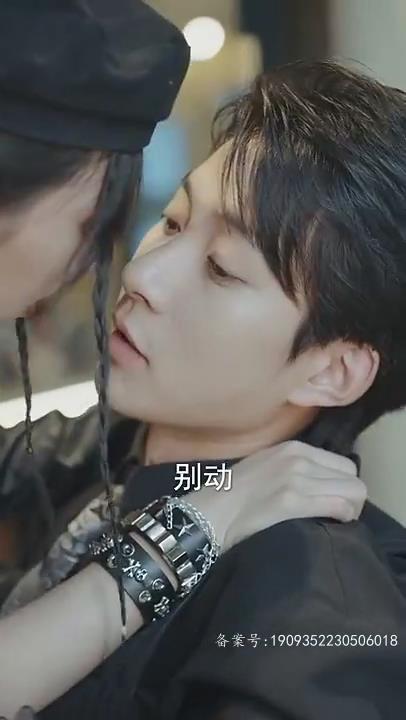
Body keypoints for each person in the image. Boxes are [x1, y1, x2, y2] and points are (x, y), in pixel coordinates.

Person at [4, 60, 406, 719]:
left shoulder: (312, 608)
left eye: (221, 269)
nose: (143, 275)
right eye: (172, 221)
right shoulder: (116, 449)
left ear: (330, 372)